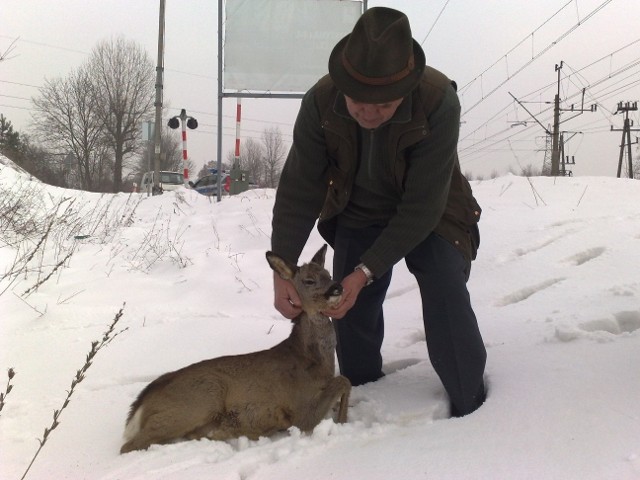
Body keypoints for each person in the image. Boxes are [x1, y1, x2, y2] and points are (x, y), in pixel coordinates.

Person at [270, 6, 487, 417]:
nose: (368, 113)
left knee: (443, 284)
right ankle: (364, 388)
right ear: (342, 84)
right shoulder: (319, 101)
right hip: (357, 209)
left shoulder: (439, 101)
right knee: (349, 307)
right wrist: (283, 272)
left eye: (384, 105)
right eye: (357, 102)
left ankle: (469, 403)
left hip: (435, 211)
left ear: (407, 88)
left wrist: (366, 270)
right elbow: (300, 188)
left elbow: (422, 206)